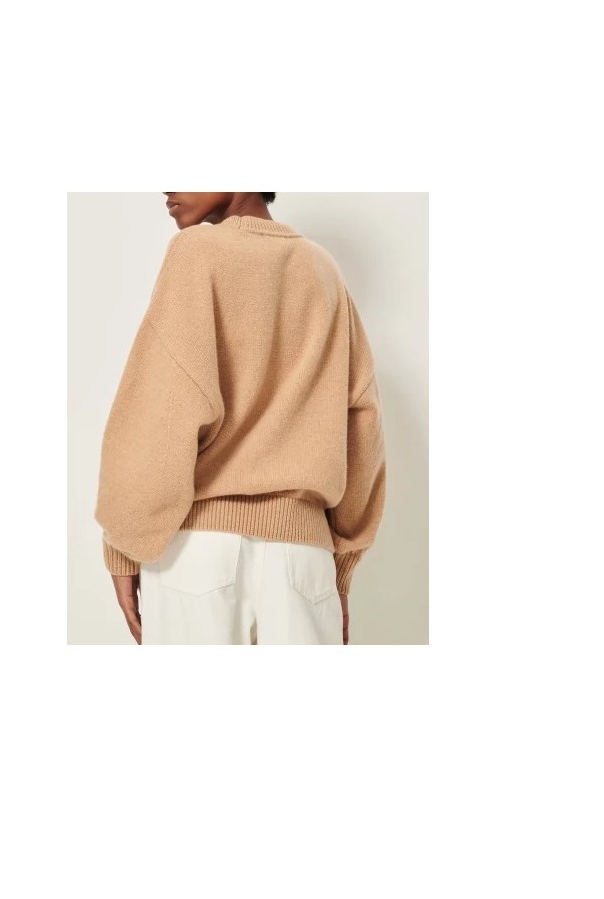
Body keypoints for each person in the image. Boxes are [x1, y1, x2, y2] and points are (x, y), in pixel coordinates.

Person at [94, 192, 386, 645]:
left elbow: (160, 410)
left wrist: (123, 543)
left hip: (198, 559)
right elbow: (362, 424)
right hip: (303, 559)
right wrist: (341, 561)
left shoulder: (197, 253)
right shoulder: (323, 270)